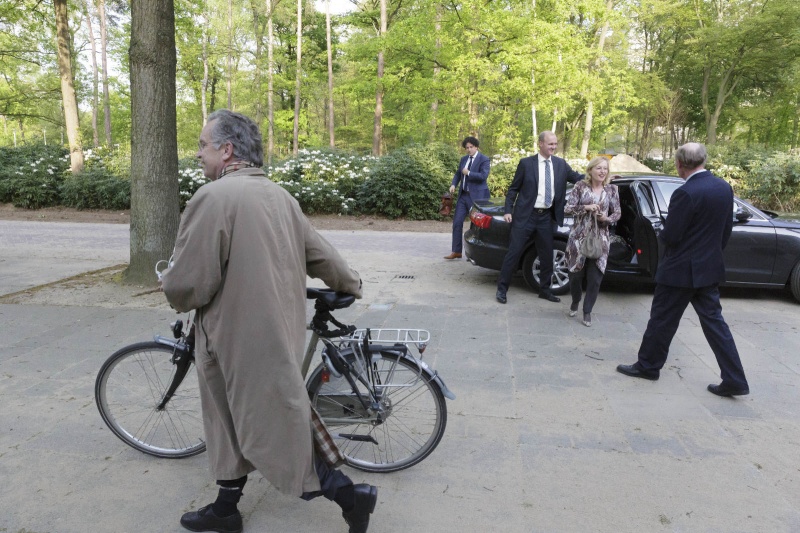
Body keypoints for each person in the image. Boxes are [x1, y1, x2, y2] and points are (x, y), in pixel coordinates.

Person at [161, 110, 378, 533]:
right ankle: (225, 510)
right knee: (233, 419)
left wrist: (170, 286)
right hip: (278, 330)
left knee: (269, 426)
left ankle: (348, 494)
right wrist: (351, 283)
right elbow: (322, 255)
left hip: (233, 336)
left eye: (203, 146)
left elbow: (190, 284)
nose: (199, 155)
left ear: (226, 150)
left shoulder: (213, 198)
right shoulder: (281, 197)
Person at [616, 142, 749, 397]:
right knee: (716, 325)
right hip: (708, 269)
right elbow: (725, 231)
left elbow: (672, 235)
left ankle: (648, 366)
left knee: (662, 320)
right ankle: (735, 379)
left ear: (679, 164)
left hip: (679, 271)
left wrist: (663, 234)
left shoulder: (685, 193)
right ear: (703, 160)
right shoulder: (723, 188)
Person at [495, 131, 583, 304]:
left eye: (555, 144)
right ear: (540, 144)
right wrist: (507, 210)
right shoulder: (526, 164)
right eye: (550, 144)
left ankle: (545, 290)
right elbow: (513, 189)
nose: (554, 147)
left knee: (546, 255)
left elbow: (577, 178)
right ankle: (502, 290)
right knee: (514, 253)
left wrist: (601, 177)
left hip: (546, 218)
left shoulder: (560, 164)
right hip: (525, 216)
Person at [564, 156, 621, 327]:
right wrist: (586, 208)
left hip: (600, 238)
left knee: (595, 277)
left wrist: (606, 218)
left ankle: (587, 311)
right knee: (575, 275)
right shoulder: (580, 186)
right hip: (578, 237)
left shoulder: (612, 190)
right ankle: (575, 300)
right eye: (599, 168)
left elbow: (617, 213)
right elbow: (567, 208)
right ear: (590, 170)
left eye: (605, 168)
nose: (602, 171)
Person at [444, 136, 491, 259]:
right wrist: (454, 184)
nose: (469, 150)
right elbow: (458, 173)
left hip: (477, 197)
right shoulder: (464, 159)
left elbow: (483, 176)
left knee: (477, 226)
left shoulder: (484, 159)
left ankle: (478, 254)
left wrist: (469, 173)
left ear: (476, 147)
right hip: (463, 196)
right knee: (457, 222)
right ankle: (456, 251)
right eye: (467, 148)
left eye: (471, 147)